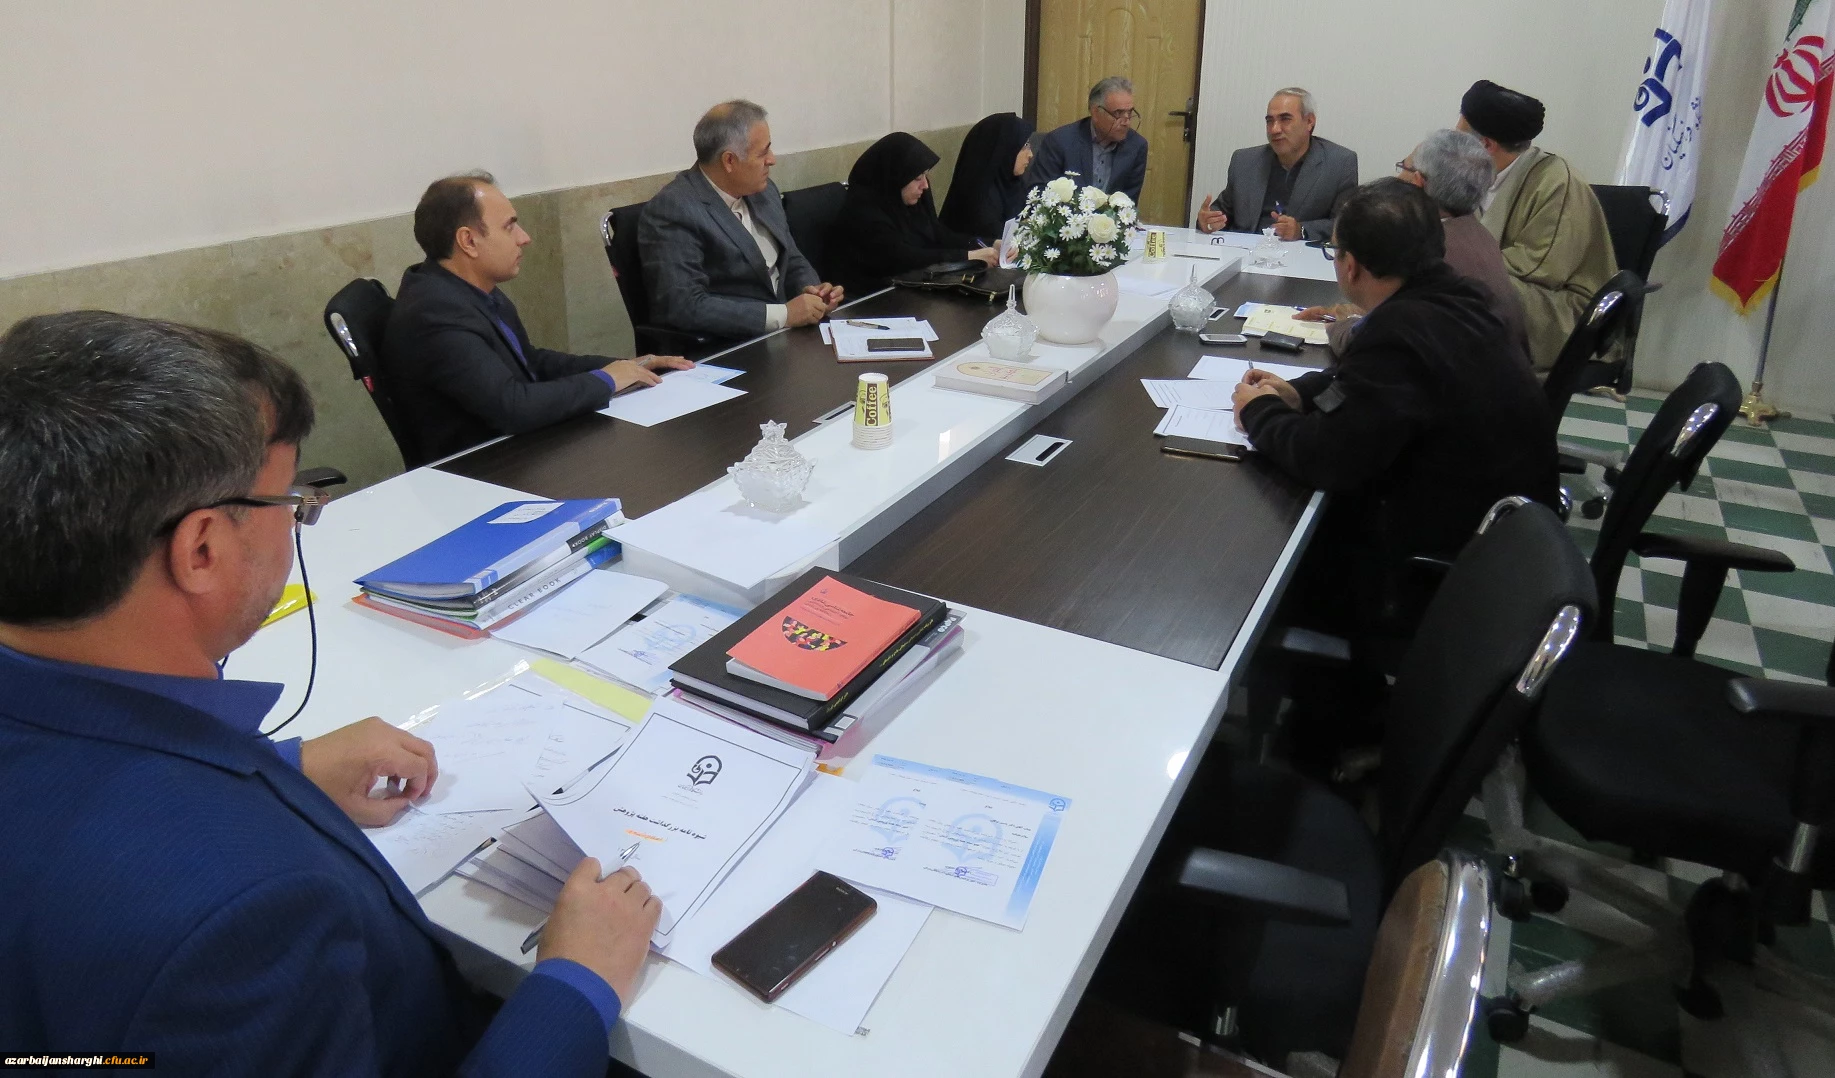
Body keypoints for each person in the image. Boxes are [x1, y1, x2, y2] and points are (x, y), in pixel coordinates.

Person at [0, 311, 660, 1073]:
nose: (297, 523)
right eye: (289, 502)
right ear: (201, 549)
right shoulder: (246, 910)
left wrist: (287, 767)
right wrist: (577, 983)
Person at [1231, 179, 1556, 637]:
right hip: (1503, 543)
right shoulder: (1459, 297)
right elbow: (1367, 386)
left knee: (1246, 564)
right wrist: (1298, 394)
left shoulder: (1401, 332)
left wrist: (1259, 412)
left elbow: (1328, 458)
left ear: (1351, 267)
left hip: (1435, 577)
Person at [383, 172, 691, 462]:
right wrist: (607, 380)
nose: (524, 238)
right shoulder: (435, 312)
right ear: (468, 241)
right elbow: (513, 406)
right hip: (482, 469)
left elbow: (530, 361)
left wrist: (626, 367)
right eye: (509, 227)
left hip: (520, 449)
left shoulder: (466, 289)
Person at [1298, 130, 1529, 360]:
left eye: (1404, 168)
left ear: (1417, 183)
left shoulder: (1428, 251)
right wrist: (1350, 313)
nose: (1397, 178)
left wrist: (1336, 328)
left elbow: (1379, 341)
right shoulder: (1477, 234)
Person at [642, 100, 844, 340]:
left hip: (791, 333)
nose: (772, 160)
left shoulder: (764, 191)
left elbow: (791, 257)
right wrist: (784, 314)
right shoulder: (674, 209)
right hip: (733, 342)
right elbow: (684, 305)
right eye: (763, 153)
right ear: (729, 161)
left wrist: (812, 292)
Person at [1457, 79, 1616, 374]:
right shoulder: (1476, 175)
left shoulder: (1557, 182)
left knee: (1465, 291)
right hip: (1511, 294)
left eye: (1459, 135)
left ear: (1486, 144)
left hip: (1565, 312)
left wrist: (1453, 262)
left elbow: (1540, 268)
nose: (1452, 143)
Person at [829, 133, 999, 294]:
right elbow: (902, 257)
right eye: (917, 178)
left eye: (925, 176)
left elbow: (938, 234)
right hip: (872, 297)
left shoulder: (906, 201)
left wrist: (989, 244)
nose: (925, 185)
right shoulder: (863, 211)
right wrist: (968, 257)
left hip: (908, 287)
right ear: (896, 177)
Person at [1196, 88, 1358, 241]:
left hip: (1300, 255)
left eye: (1285, 119)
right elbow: (1221, 212)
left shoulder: (1339, 163)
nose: (1274, 129)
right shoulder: (1245, 161)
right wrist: (1207, 220)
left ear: (1309, 121)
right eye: (1270, 121)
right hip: (1245, 251)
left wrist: (1301, 230)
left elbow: (1345, 225)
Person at [1023, 76, 1149, 202]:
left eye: (1129, 112)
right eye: (1118, 113)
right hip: (1068, 213)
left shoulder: (1136, 146)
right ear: (1095, 112)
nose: (1126, 122)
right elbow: (1038, 192)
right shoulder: (1060, 141)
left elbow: (1129, 202)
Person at [939, 112, 1038, 242]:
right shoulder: (979, 201)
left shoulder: (1014, 184)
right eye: (1024, 146)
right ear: (1003, 150)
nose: (1030, 154)